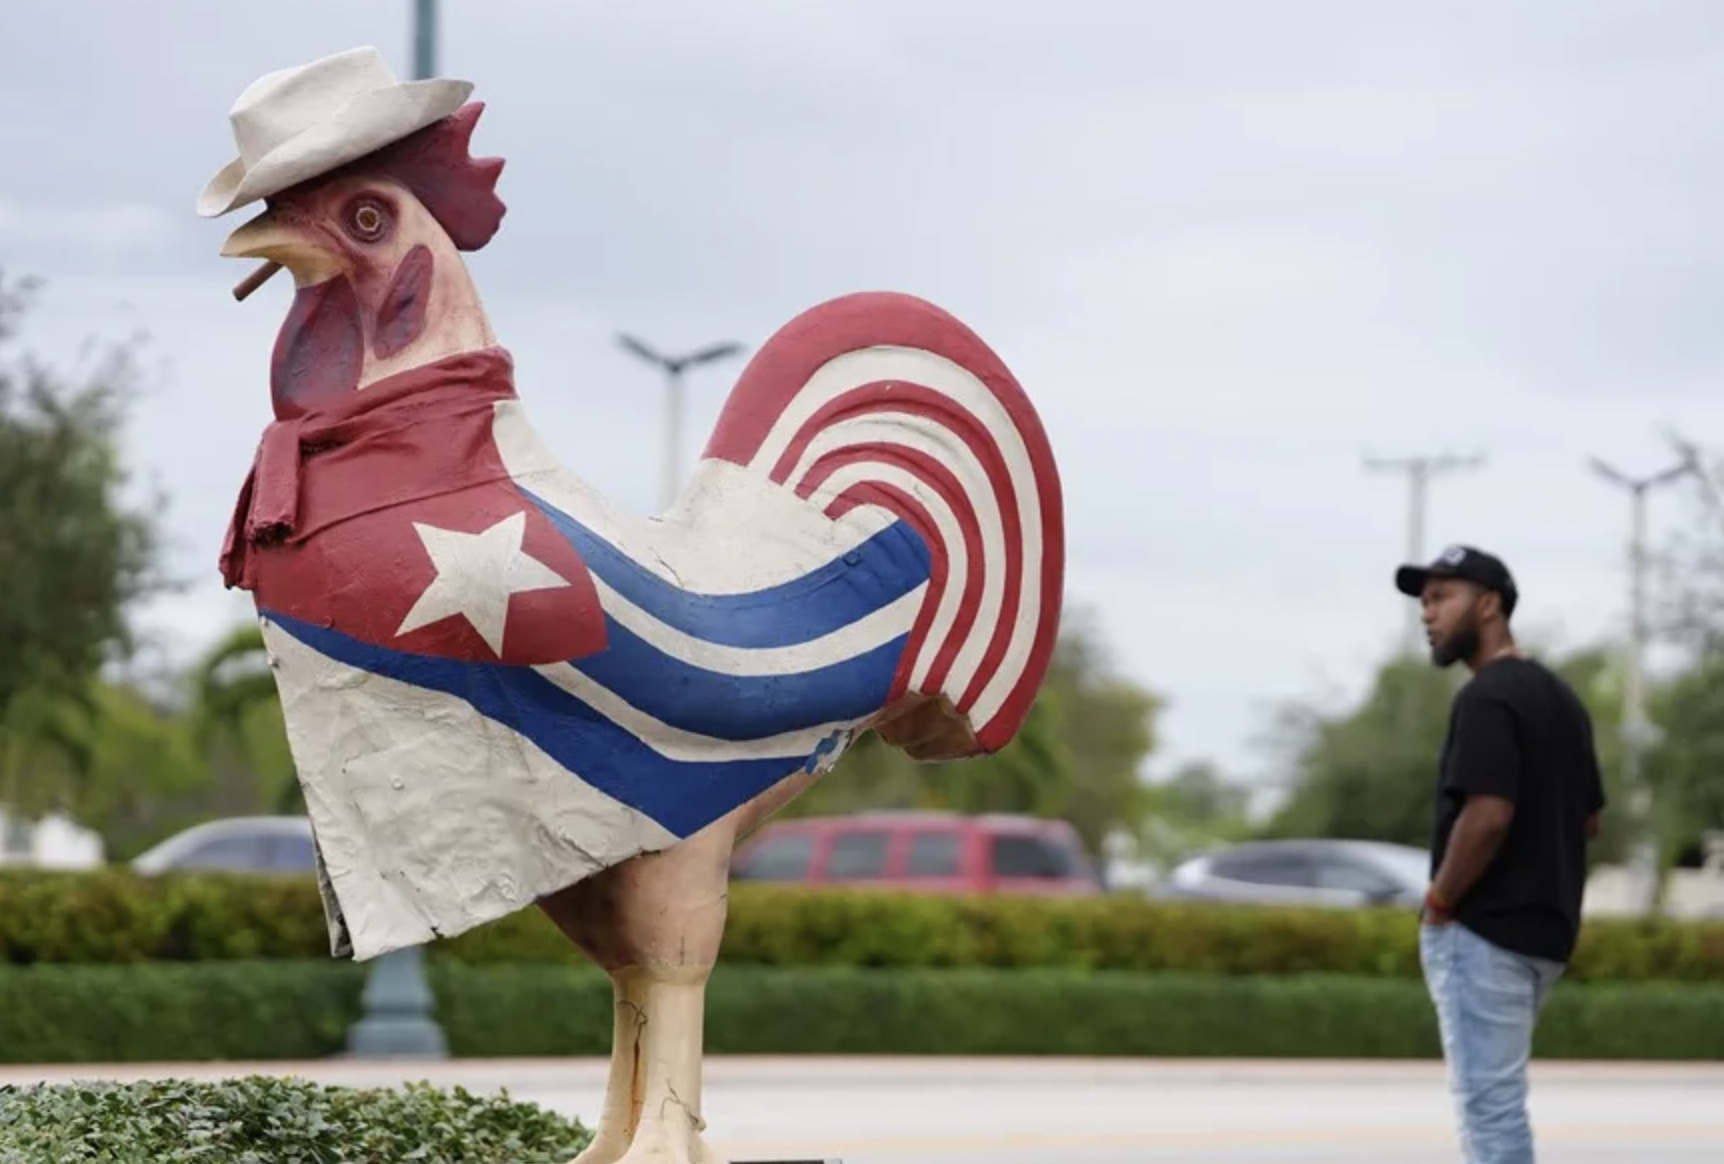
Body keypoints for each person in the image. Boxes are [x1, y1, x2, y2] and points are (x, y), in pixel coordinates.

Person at [1393, 544, 1606, 1164]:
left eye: (1442, 598)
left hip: (1484, 931)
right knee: (1499, 1104)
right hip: (1545, 932)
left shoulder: (1487, 696)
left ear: (1489, 605)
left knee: (1489, 1111)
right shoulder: (1561, 699)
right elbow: (1588, 818)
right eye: (1424, 602)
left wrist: (1440, 902)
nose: (1427, 613)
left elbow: (1488, 813)